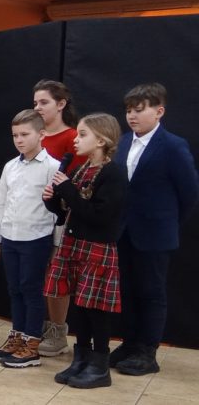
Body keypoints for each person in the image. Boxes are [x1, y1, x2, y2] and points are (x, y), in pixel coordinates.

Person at [110, 83, 198, 376]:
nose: (132, 116)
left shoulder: (173, 145)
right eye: (128, 110)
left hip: (155, 234)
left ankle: (147, 350)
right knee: (127, 290)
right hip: (124, 232)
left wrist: (167, 222)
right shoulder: (123, 142)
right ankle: (129, 343)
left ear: (159, 111)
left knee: (151, 292)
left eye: (139, 110)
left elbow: (189, 193)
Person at [43, 113, 128, 388]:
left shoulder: (113, 174)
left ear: (101, 140)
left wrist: (67, 190)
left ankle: (99, 365)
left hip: (96, 248)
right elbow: (68, 212)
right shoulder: (81, 170)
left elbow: (98, 216)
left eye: (82, 135)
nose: (76, 140)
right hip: (74, 246)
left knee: (96, 309)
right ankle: (81, 359)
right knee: (79, 305)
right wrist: (52, 200)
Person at [0, 110, 60, 368]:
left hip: (36, 238)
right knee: (15, 289)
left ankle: (32, 344)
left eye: (25, 134)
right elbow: (0, 203)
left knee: (31, 289)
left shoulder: (52, 167)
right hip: (10, 237)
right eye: (15, 135)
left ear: (41, 134)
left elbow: (60, 211)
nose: (19, 140)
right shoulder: (10, 166)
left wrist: (56, 244)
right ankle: (16, 337)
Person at [32, 79, 85, 357]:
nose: (38, 108)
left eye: (44, 102)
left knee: (57, 274)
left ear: (61, 104)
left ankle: (57, 330)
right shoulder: (34, 135)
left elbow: (79, 182)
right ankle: (37, 324)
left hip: (59, 219)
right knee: (36, 273)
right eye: (35, 103)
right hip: (32, 217)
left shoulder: (72, 138)